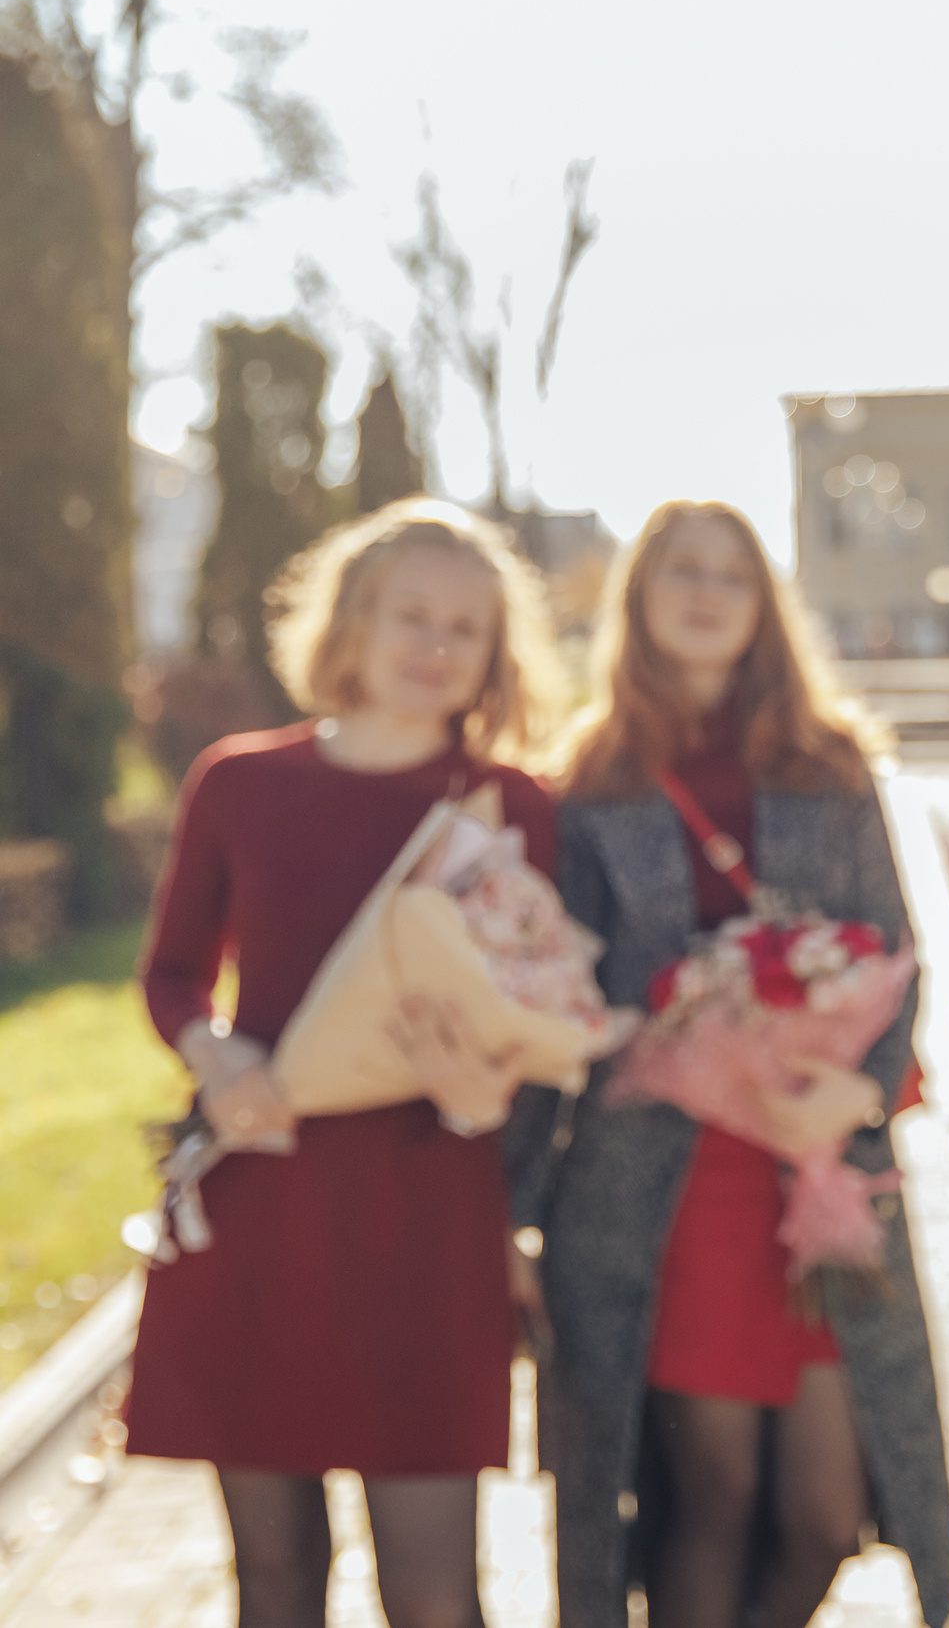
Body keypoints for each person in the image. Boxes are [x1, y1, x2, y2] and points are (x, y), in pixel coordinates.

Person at [517, 500, 949, 1628]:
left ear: (765, 603)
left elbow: (895, 948)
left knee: (824, 1506)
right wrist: (507, 1212)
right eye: (680, 573)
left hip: (813, 1165)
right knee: (709, 1492)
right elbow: (555, 998)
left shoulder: (829, 761)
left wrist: (859, 1092)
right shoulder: (592, 779)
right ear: (638, 602)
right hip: (658, 1187)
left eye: (731, 573)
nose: (706, 592)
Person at [130, 502, 563, 1628]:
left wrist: (489, 1097)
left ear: (494, 655)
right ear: (351, 625)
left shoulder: (509, 808)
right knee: (274, 1586)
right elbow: (170, 975)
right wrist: (217, 1056)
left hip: (428, 1219)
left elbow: (541, 1017)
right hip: (262, 1197)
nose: (434, 646)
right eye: (409, 615)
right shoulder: (238, 782)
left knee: (433, 1596)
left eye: (465, 628)